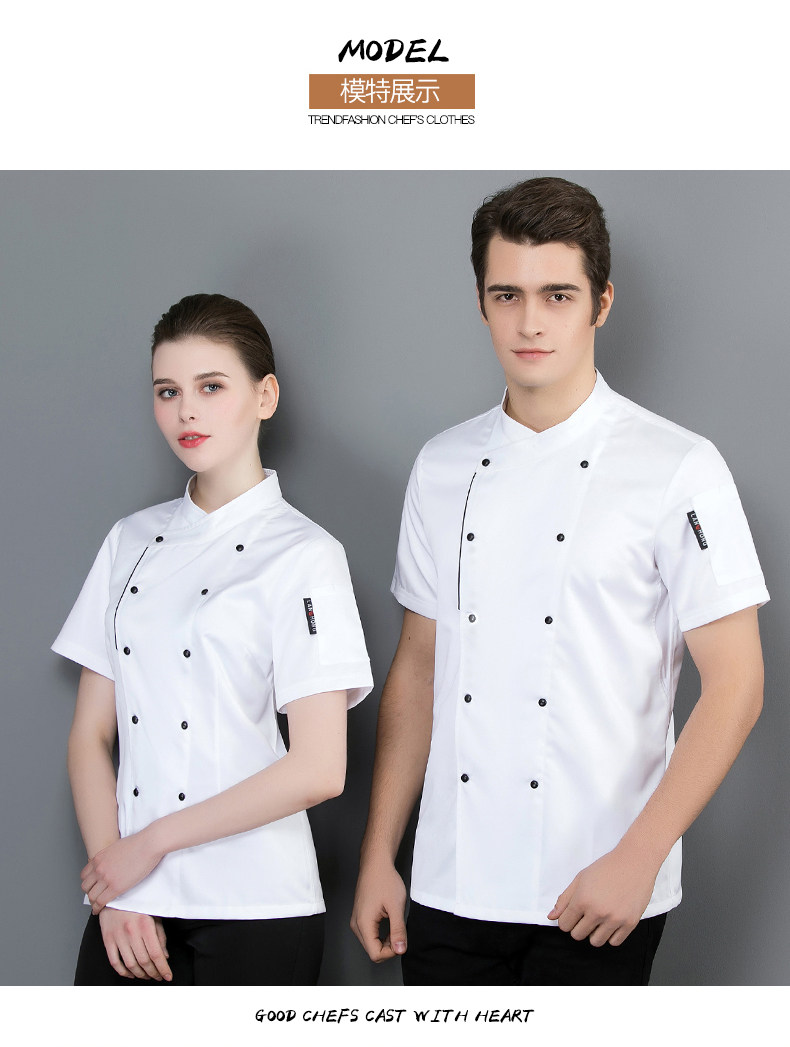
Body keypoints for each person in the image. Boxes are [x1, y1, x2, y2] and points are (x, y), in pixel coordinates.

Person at [350, 177, 769, 986]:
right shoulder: (441, 467)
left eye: (558, 295)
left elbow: (737, 684)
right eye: (506, 294)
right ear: (481, 303)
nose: (530, 322)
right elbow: (420, 669)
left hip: (599, 887)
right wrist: (379, 855)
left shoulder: (678, 466)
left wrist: (641, 857)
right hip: (449, 883)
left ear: (601, 303)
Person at [53, 293, 372, 985]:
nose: (185, 412)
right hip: (131, 904)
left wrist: (150, 845)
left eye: (211, 387)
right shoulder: (129, 541)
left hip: (256, 905)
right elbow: (89, 734)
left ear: (265, 396)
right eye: (167, 391)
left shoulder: (305, 555)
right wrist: (114, 884)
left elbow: (321, 768)